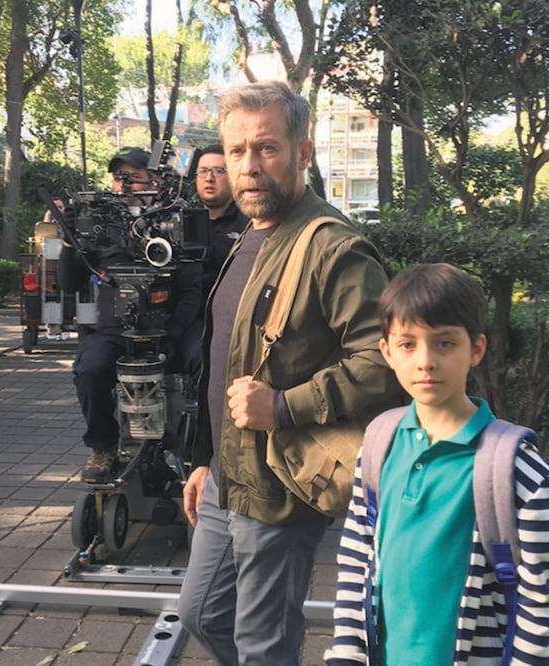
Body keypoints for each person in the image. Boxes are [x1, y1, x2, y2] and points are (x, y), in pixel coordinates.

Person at [177, 81, 404, 666]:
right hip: (227, 476)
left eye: (266, 148)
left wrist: (283, 406)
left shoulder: (333, 246)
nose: (248, 166)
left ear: (303, 152)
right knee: (200, 614)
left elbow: (386, 360)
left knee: (264, 643)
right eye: (236, 152)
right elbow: (224, 359)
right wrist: (204, 457)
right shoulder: (244, 239)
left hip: (281, 482)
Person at [324, 263, 549, 665]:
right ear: (386, 351)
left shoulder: (519, 472)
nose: (425, 361)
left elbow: (540, 607)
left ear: (476, 349)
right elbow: (356, 559)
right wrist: (346, 655)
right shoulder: (379, 443)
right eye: (407, 344)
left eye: (445, 343)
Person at [58, 146, 204, 483]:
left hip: (170, 325)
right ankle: (103, 445)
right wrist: (69, 243)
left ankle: (200, 446)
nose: (123, 185)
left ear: (155, 179)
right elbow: (69, 284)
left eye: (133, 178)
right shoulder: (98, 224)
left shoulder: (176, 218)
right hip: (115, 327)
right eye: (117, 178)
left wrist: (176, 332)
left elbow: (192, 289)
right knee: (90, 370)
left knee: (203, 359)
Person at [194, 143, 247, 290]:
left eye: (218, 171)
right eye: (203, 171)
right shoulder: (182, 222)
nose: (209, 178)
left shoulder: (250, 224)